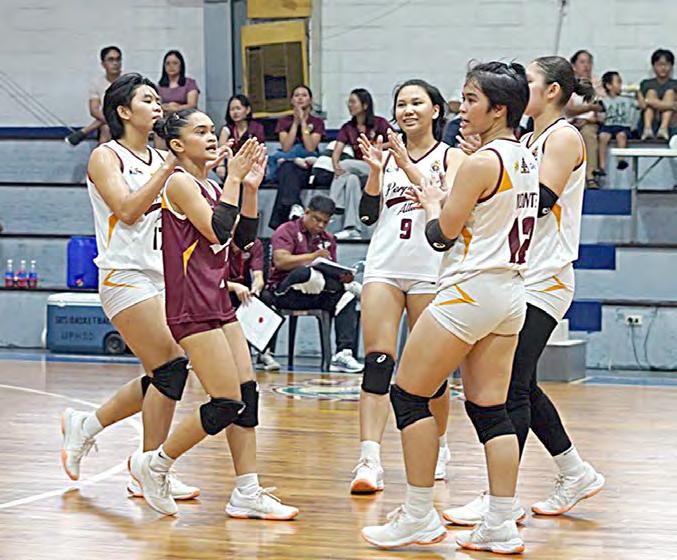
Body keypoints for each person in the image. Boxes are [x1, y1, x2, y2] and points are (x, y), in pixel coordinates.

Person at [361, 61, 538, 555]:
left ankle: (418, 515)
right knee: (491, 409)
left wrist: (434, 201)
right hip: (510, 292)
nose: (463, 107)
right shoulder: (525, 157)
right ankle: (500, 523)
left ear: (498, 109)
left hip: (470, 289)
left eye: (471, 99)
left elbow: (440, 236)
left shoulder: (481, 162)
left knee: (408, 395)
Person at [444, 56, 605, 530]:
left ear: (552, 90)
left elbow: (540, 202)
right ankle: (574, 472)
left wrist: (487, 174)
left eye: (529, 81)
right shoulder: (529, 140)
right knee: (521, 385)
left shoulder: (563, 137)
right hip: (521, 274)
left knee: (509, 386)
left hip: (546, 277)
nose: (520, 87)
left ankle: (501, 501)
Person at [129, 115, 298, 520]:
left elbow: (242, 242)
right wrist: (235, 178)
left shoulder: (211, 186)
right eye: (200, 132)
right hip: (191, 305)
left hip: (217, 300)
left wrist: (250, 189)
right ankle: (155, 465)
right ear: (177, 145)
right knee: (225, 402)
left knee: (247, 395)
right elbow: (218, 232)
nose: (210, 137)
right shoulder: (179, 183)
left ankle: (247, 492)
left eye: (211, 131)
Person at [60, 73, 198, 501]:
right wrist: (170, 169)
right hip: (124, 274)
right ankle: (149, 467)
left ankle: (89, 427)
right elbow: (127, 209)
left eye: (159, 100)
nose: (159, 106)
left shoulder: (160, 158)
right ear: (123, 111)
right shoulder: (106, 156)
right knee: (171, 367)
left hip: (162, 275)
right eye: (148, 100)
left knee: (165, 374)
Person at [350, 79, 466, 495]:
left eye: (417, 102)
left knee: (431, 372)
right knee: (378, 363)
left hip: (430, 270)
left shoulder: (452, 157)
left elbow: (452, 207)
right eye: (401, 104)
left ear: (436, 110)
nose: (408, 110)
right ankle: (369, 460)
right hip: (385, 265)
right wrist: (376, 172)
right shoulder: (386, 157)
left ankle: (439, 445)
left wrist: (405, 163)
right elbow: (367, 217)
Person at [264, 195, 363, 372]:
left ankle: (343, 354)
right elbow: (280, 261)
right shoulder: (286, 229)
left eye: (325, 222)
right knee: (305, 273)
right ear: (307, 212)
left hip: (317, 293)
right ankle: (340, 286)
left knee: (347, 297)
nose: (320, 225)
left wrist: (342, 276)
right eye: (317, 219)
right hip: (285, 293)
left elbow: (331, 267)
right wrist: (313, 257)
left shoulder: (328, 239)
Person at [329, 88, 392, 240]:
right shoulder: (348, 127)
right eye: (348, 102)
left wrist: (376, 147)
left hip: (378, 167)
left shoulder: (380, 123)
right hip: (360, 168)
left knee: (345, 165)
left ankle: (333, 205)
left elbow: (395, 142)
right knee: (350, 179)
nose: (349, 105)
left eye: (353, 102)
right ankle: (353, 229)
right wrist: (335, 165)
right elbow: (337, 150)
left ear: (365, 105)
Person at [268, 86, 325, 229]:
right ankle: (295, 205)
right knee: (287, 168)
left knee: (287, 175)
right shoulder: (284, 121)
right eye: (296, 95)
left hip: (306, 167)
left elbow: (310, 148)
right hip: (287, 164)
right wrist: (295, 122)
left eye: (304, 95)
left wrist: (303, 122)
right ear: (292, 100)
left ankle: (280, 221)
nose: (300, 98)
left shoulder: (317, 122)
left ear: (310, 100)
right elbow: (286, 148)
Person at [226, 238, 281, 371]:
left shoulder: (253, 243)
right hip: (220, 287)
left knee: (266, 298)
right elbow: (211, 281)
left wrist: (256, 287)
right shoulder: (216, 242)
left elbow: (258, 276)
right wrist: (234, 287)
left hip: (244, 288)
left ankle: (265, 351)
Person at [65, 46, 122, 146]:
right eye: (111, 60)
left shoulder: (130, 81)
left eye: (118, 59)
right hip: (108, 122)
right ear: (103, 64)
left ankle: (85, 131)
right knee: (106, 127)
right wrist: (111, 120)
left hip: (128, 121)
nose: (115, 63)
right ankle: (101, 154)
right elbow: (94, 111)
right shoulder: (97, 83)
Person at [565, 50, 604, 188]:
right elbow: (568, 109)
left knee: (589, 134)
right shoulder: (567, 84)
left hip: (590, 122)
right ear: (574, 66)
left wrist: (587, 117)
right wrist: (589, 108)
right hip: (569, 122)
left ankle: (590, 175)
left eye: (589, 62)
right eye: (582, 62)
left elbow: (600, 108)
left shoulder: (597, 84)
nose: (586, 66)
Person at [155, 50, 200, 150]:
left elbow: (192, 105)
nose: (171, 66)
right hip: (166, 120)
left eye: (175, 63)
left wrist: (175, 108)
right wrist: (165, 107)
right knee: (159, 127)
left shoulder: (190, 83)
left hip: (185, 120)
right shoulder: (160, 86)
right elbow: (156, 104)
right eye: (168, 63)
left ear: (181, 65)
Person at [216, 94, 266, 182]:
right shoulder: (226, 129)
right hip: (231, 166)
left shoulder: (256, 128)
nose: (235, 112)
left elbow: (260, 151)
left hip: (251, 165)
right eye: (232, 109)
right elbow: (221, 151)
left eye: (238, 108)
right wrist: (221, 166)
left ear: (247, 110)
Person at [598, 71, 635, 176]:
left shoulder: (627, 98)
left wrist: (637, 92)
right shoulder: (603, 100)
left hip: (623, 125)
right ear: (608, 86)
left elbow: (642, 105)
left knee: (621, 135)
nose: (620, 85)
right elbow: (599, 114)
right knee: (602, 136)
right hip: (608, 125)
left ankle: (621, 160)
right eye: (618, 82)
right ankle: (602, 166)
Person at [637, 48, 677, 140]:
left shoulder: (675, 84)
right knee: (651, 92)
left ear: (671, 66)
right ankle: (647, 129)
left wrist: (651, 102)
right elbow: (642, 105)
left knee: (670, 93)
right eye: (659, 64)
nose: (663, 68)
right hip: (649, 124)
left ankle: (663, 129)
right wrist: (670, 105)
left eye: (666, 64)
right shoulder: (646, 83)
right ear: (653, 66)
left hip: (671, 126)